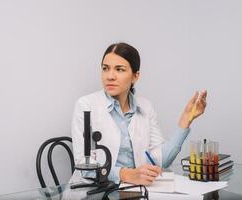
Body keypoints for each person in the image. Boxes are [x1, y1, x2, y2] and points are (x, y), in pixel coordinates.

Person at [71, 42, 207, 186]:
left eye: (119, 69)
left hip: (132, 191)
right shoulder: (85, 105)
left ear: (135, 76)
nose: (110, 76)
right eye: (105, 68)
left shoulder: (145, 107)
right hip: (94, 190)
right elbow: (83, 165)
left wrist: (185, 120)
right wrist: (125, 174)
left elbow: (160, 161)